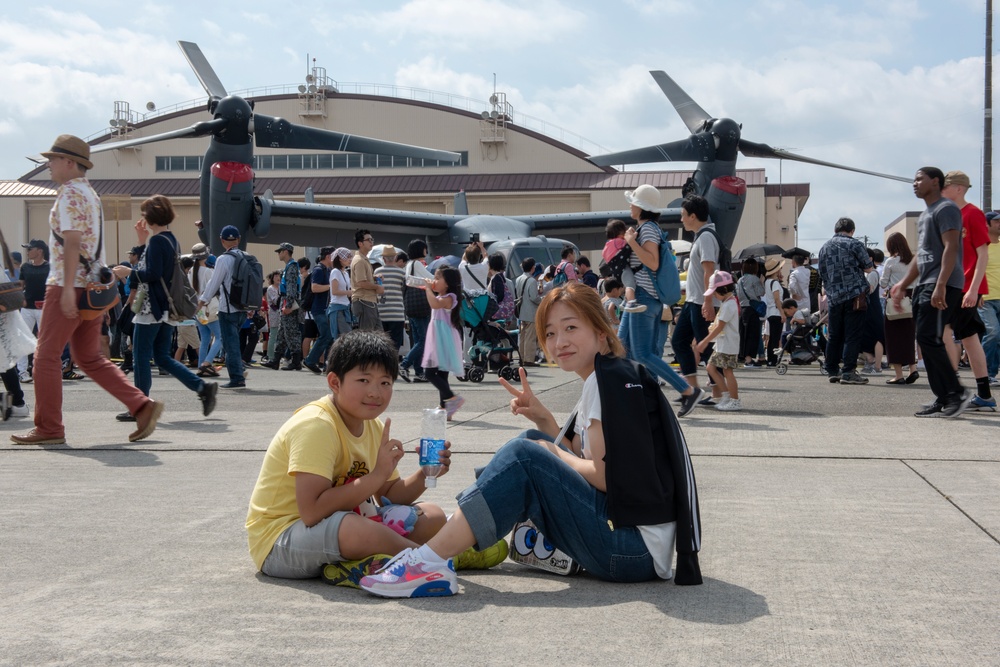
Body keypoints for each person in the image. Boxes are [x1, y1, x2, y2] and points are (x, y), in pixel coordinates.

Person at [359, 283, 702, 599]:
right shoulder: (614, 375)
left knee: (527, 453)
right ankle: (458, 533)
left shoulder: (604, 382)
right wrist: (544, 422)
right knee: (532, 439)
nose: (559, 342)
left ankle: (429, 560)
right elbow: (583, 461)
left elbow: (601, 476)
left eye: (571, 328)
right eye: (550, 333)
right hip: (638, 546)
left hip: (630, 551)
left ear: (601, 333)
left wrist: (549, 449)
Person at [245, 329, 505, 586]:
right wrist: (376, 476)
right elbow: (312, 512)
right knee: (354, 529)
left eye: (385, 382)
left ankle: (369, 563)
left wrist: (425, 474)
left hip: (340, 525)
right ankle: (433, 559)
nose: (375, 392)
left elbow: (388, 495)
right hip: (281, 541)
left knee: (432, 515)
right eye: (363, 381)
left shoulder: (372, 425)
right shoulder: (316, 425)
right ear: (335, 382)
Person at [12, 135, 163, 445]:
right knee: (88, 358)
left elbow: (71, 241)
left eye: (53, 159)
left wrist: (67, 288)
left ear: (70, 162)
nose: (48, 164)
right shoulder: (90, 194)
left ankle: (49, 428)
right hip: (93, 288)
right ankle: (141, 404)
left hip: (68, 285)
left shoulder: (68, 194)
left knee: (45, 357)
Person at [110, 195, 217, 421]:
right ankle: (201, 387)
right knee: (161, 357)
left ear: (151, 216)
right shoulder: (169, 240)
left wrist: (128, 272)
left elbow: (151, 274)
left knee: (141, 356)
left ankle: (139, 406)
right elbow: (154, 272)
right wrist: (141, 242)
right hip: (165, 309)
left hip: (152, 309)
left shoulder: (158, 242)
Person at [890, 167, 972, 418]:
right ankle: (943, 397)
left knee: (930, 338)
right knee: (926, 340)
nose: (914, 183)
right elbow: (920, 256)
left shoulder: (946, 209)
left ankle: (956, 393)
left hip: (942, 283)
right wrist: (902, 285)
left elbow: (951, 247)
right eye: (913, 179)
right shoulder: (927, 214)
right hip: (926, 283)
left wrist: (941, 284)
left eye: (919, 179)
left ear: (935, 181)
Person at [941, 170, 995, 410]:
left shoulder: (972, 214)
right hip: (954, 285)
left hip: (965, 286)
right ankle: (982, 394)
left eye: (946, 186)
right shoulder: (948, 214)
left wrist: (974, 289)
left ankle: (954, 391)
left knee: (946, 333)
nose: (942, 190)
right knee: (968, 338)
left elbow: (983, 252)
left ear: (959, 188)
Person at [671, 192, 720, 394]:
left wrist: (708, 301)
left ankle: (719, 391)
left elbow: (709, 270)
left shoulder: (706, 237)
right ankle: (693, 389)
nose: (681, 219)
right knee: (679, 341)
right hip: (694, 301)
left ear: (693, 216)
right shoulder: (701, 237)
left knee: (707, 347)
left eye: (683, 214)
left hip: (702, 301)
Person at [817, 217, 873, 385]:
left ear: (836, 230)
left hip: (834, 297)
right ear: (852, 230)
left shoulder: (824, 248)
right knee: (852, 335)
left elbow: (822, 273)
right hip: (854, 295)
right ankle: (848, 371)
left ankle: (832, 370)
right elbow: (868, 268)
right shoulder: (854, 244)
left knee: (834, 335)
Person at [197, 225, 249, 389]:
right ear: (238, 239)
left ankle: (237, 378)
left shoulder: (223, 259)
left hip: (227, 308)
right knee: (233, 343)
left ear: (222, 240)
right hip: (243, 307)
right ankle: (239, 369)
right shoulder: (246, 257)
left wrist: (203, 300)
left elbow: (214, 283)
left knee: (229, 344)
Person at [421, 267, 465, 420]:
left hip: (442, 337)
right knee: (441, 373)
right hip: (438, 336)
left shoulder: (449, 297)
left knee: (429, 372)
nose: (434, 280)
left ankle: (452, 399)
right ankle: (444, 408)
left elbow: (434, 304)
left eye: (438, 278)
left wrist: (427, 289)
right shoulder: (442, 296)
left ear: (447, 283)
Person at [695, 271, 742, 410]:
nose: (714, 295)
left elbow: (720, 326)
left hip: (727, 344)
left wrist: (704, 341)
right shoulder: (728, 302)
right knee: (711, 367)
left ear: (724, 289)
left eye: (715, 292)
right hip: (723, 343)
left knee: (727, 371)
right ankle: (727, 396)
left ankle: (734, 401)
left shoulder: (729, 305)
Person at [880, 233, 919, 384]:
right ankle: (913, 369)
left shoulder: (890, 261)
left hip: (895, 300)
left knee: (893, 337)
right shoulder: (913, 260)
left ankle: (899, 375)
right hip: (911, 299)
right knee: (909, 336)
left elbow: (883, 283)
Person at [399, 239, 432, 383]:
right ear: (421, 250)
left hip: (411, 306)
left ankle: (419, 372)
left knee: (418, 340)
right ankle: (405, 364)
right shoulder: (417, 264)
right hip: (421, 306)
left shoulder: (408, 265)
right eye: (425, 249)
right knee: (424, 340)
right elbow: (430, 279)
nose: (426, 251)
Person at [16, 239, 49, 382]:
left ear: (39, 251)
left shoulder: (50, 267)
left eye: (30, 249)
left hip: (45, 308)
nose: (27, 252)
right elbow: (20, 287)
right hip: (27, 308)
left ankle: (41, 370)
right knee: (23, 339)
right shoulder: (25, 267)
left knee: (45, 341)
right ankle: (22, 372)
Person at [190, 245, 222, 376]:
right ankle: (207, 363)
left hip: (197, 309)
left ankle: (200, 366)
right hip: (210, 308)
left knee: (205, 338)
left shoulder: (190, 271)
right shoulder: (209, 272)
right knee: (221, 337)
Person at [303, 247, 336, 374]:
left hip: (325, 309)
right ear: (328, 256)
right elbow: (314, 288)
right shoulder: (318, 269)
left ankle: (327, 365)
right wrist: (332, 287)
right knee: (326, 335)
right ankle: (310, 360)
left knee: (330, 337)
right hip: (319, 309)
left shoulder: (328, 270)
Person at [601, 218, 644, 313]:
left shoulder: (608, 244)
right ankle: (631, 302)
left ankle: (625, 302)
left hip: (616, 272)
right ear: (621, 233)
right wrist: (634, 234)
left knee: (626, 284)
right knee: (630, 285)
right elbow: (630, 242)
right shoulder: (617, 242)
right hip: (623, 269)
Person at [350, 230, 383, 331]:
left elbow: (362, 279)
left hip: (369, 301)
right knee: (367, 338)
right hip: (364, 301)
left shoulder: (364, 259)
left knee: (378, 336)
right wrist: (377, 286)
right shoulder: (359, 260)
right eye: (368, 240)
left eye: (372, 239)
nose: (371, 242)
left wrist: (374, 277)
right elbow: (361, 283)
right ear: (360, 243)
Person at [981, 211, 1000, 384]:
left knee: (998, 336)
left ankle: (992, 374)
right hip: (986, 298)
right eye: (996, 222)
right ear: (987, 224)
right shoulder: (982, 246)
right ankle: (985, 373)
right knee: (993, 333)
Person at [375, 248, 406, 353]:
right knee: (395, 344)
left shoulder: (377, 272)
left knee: (382, 344)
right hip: (397, 313)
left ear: (383, 258)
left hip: (382, 312)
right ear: (396, 257)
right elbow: (403, 290)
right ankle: (393, 366)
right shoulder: (402, 273)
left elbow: (378, 291)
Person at [735, 258, 765, 367]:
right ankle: (749, 360)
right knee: (753, 335)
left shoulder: (739, 280)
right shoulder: (755, 279)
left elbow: (738, 295)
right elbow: (761, 292)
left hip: (743, 309)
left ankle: (744, 358)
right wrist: (761, 283)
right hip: (752, 309)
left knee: (744, 334)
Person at [515, 257, 541, 367]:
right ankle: (529, 359)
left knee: (523, 336)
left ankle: (521, 357)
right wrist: (542, 300)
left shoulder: (518, 279)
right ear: (532, 268)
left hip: (521, 312)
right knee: (530, 337)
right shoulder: (532, 281)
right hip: (531, 312)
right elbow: (534, 297)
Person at [327, 247, 354, 345]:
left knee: (345, 337)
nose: (350, 260)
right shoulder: (335, 271)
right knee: (344, 337)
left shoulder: (345, 273)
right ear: (340, 259)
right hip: (337, 308)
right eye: (347, 257)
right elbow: (334, 291)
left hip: (345, 307)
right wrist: (349, 292)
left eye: (350, 257)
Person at [762, 258, 785, 366]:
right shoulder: (775, 283)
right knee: (776, 338)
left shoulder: (767, 282)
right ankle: (773, 359)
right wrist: (782, 313)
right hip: (776, 312)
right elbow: (777, 299)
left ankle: (770, 359)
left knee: (772, 337)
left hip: (770, 312)